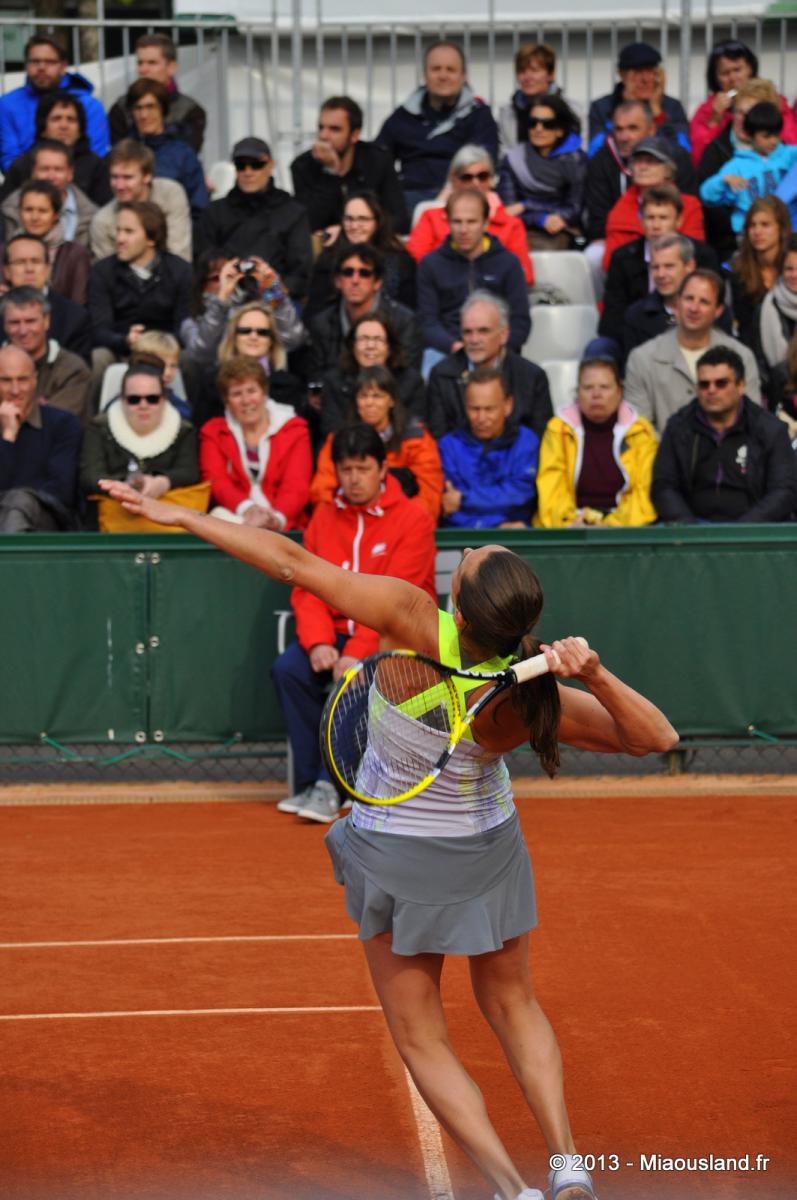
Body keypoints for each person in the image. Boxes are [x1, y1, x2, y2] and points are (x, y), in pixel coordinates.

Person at [99, 447, 678, 1200]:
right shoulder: (530, 697)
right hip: (488, 854)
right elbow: (655, 738)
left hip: (396, 859)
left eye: (470, 555)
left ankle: (511, 1188)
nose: (465, 546)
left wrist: (178, 513)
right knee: (512, 1003)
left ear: (460, 612)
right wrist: (592, 671)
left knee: (421, 1035)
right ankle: (567, 1164)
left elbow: (290, 562)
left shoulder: (411, 619)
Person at [272, 422, 438, 823]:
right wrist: (317, 642)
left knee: (355, 681)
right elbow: (307, 589)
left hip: (390, 642)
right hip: (334, 637)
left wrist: (357, 654)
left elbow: (396, 604)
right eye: (346, 469)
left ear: (383, 469)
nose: (354, 478)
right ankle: (314, 782)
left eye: (363, 468)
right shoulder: (323, 520)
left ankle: (341, 785)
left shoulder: (413, 520)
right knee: (289, 669)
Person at [651, 345, 797, 522]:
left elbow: (784, 491)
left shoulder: (769, 429)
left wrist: (740, 531)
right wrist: (689, 529)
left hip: (755, 531)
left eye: (721, 383)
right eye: (704, 384)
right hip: (692, 530)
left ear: (741, 385)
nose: (711, 390)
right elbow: (663, 485)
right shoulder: (679, 426)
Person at [624, 269, 761, 430]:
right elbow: (640, 432)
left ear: (718, 311)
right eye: (689, 299)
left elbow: (753, 423)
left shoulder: (742, 357)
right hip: (663, 453)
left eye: (704, 302)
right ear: (676, 305)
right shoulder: (642, 359)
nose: (694, 308)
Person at [376, 41, 499, 213]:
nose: (443, 76)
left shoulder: (479, 116)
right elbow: (378, 159)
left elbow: (484, 165)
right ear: (424, 75)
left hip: (462, 196)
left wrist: (448, 194)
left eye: (450, 69)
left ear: (463, 76)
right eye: (436, 69)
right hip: (409, 197)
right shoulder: (402, 116)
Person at [534, 356, 658, 527]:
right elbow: (551, 489)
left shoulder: (641, 432)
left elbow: (644, 494)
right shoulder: (558, 430)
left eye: (605, 387)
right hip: (570, 527)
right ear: (577, 392)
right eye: (588, 387)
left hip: (624, 529)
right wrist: (570, 524)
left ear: (619, 392)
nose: (596, 394)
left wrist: (611, 526)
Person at [311, 365, 442, 520]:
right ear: (355, 402)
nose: (369, 403)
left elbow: (429, 497)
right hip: (350, 524)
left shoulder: (416, 439)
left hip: (403, 526)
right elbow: (322, 492)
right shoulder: (338, 440)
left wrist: (395, 524)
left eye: (377, 396)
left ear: (391, 400)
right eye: (363, 396)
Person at [597, 192, 719, 355]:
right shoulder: (622, 257)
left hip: (692, 336)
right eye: (650, 217)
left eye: (663, 218)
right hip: (636, 335)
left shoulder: (702, 255)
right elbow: (612, 319)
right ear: (641, 220)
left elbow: (713, 307)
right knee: (600, 347)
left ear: (679, 220)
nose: (656, 225)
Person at [416, 189, 530, 361]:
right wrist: (455, 347)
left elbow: (520, 321)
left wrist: (495, 349)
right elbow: (428, 323)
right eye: (457, 222)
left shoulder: (508, 263)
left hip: (499, 351)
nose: (463, 229)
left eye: (471, 222)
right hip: (447, 351)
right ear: (448, 223)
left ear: (485, 223)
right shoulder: (430, 265)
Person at [199, 356, 311, 529]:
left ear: (264, 393)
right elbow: (217, 481)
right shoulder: (213, 432)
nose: (245, 401)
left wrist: (275, 519)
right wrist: (248, 510)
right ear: (227, 402)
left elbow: (296, 485)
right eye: (237, 394)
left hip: (283, 523)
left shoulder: (295, 430)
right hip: (236, 519)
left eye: (252, 391)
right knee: (217, 517)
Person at [195, 137, 313, 301]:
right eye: (241, 165)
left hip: (276, 300)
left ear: (270, 165)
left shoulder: (293, 212)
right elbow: (203, 262)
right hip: (225, 297)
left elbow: (300, 273)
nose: (248, 172)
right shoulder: (214, 212)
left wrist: (273, 291)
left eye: (256, 164)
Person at [425, 291, 552, 440]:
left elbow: (542, 440)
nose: (474, 339)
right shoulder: (441, 375)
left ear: (504, 334)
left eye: (483, 331)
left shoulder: (532, 377)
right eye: (467, 332)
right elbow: (438, 438)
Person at [406, 144, 533, 285]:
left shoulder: (511, 224)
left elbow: (524, 275)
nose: (475, 183)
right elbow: (415, 261)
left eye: (482, 176)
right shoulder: (431, 217)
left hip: (494, 297)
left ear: (491, 180)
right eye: (467, 177)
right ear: (453, 180)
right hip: (443, 294)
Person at [80, 361, 199, 505]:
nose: (143, 405)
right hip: (111, 517)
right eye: (134, 399)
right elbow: (90, 477)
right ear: (122, 400)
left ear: (164, 399)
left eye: (152, 399)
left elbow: (190, 472)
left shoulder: (184, 430)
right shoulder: (98, 428)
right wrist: (127, 484)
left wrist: (163, 482)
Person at [88, 200, 192, 364]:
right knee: (99, 357)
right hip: (121, 351)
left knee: (189, 360)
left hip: (168, 352)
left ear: (152, 238)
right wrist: (126, 340)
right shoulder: (102, 271)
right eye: (118, 230)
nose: (120, 238)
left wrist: (154, 345)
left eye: (129, 232)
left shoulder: (181, 271)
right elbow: (99, 330)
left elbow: (185, 327)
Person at [696, 78, 788, 265]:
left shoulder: (783, 154)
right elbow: (707, 202)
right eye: (739, 112)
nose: (743, 120)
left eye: (751, 113)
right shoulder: (716, 150)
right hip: (730, 244)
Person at [290, 97, 407, 237]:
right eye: (321, 127)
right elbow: (308, 224)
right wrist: (330, 173)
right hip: (326, 249)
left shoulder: (377, 160)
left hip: (371, 242)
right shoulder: (303, 166)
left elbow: (400, 220)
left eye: (335, 129)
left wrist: (349, 231)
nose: (323, 136)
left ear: (354, 135)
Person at [438, 366, 539, 528]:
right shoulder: (449, 446)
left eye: (489, 409)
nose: (481, 418)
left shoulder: (526, 441)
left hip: (515, 537)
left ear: (508, 405)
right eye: (474, 409)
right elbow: (449, 507)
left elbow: (520, 495)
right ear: (465, 406)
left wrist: (464, 499)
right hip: (465, 539)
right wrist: (496, 525)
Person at [306, 244, 422, 378]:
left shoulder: (404, 322)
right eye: (348, 272)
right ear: (338, 281)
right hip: (337, 396)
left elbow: (408, 379)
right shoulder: (321, 323)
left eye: (364, 273)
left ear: (377, 282)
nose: (355, 280)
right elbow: (317, 378)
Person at [180, 254, 305, 373]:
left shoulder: (257, 308)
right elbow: (202, 353)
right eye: (216, 278)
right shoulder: (191, 321)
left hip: (267, 379)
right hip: (217, 383)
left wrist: (273, 288)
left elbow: (292, 339)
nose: (224, 281)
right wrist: (221, 302)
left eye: (230, 275)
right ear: (202, 284)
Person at [0, 344, 80, 530]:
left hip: (45, 517)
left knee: (19, 501)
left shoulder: (63, 424)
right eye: (5, 380)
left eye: (22, 380)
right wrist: (8, 436)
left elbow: (61, 491)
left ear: (35, 380)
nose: (15, 390)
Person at [0, 35, 109, 172]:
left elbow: (95, 158)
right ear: (26, 65)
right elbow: (9, 160)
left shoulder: (90, 106)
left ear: (63, 66)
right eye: (35, 61)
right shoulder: (7, 105)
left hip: (81, 186)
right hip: (27, 187)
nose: (41, 67)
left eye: (49, 62)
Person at [305, 190, 416, 318]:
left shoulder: (401, 260)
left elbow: (410, 312)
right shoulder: (328, 260)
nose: (355, 226)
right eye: (349, 219)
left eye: (363, 219)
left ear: (378, 222)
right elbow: (315, 313)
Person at [689, 40, 797, 168]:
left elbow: (791, 142)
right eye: (725, 73)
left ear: (750, 69)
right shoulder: (708, 110)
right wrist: (714, 122)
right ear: (715, 78)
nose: (733, 78)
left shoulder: (773, 100)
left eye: (737, 70)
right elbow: (698, 160)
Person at [498, 94, 586, 250]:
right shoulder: (513, 160)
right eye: (533, 123)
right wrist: (539, 218)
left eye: (548, 124)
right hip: (520, 226)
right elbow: (509, 211)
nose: (538, 129)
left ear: (560, 130)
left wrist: (526, 204)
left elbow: (574, 209)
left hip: (560, 228)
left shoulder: (577, 161)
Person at [318, 311, 425, 437]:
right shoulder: (333, 381)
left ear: (389, 348)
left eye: (378, 339)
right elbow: (332, 431)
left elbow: (415, 431)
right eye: (364, 339)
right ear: (353, 346)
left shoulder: (411, 381)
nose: (370, 346)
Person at [602, 141, 704, 270]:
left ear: (668, 170)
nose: (642, 167)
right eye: (637, 162)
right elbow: (610, 262)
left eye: (650, 161)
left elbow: (695, 253)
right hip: (634, 278)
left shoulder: (689, 205)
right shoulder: (620, 210)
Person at [700, 102, 797, 236]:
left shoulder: (790, 155)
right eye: (766, 136)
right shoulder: (737, 165)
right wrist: (723, 181)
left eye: (776, 135)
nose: (773, 141)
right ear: (749, 135)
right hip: (750, 234)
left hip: (788, 231)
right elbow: (707, 196)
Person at [0, 93, 111, 207]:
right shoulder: (21, 166)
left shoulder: (96, 166)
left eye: (71, 119)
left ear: (80, 130)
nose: (64, 125)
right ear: (43, 128)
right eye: (56, 119)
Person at [90, 140, 192, 263]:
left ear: (147, 176)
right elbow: (108, 274)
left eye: (128, 177)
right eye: (115, 177)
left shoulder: (170, 194)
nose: (120, 186)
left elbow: (179, 256)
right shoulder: (102, 222)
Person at [1, 286, 92, 423]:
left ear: (46, 321)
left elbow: (54, 424)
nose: (23, 330)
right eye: (14, 323)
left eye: (30, 321)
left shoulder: (72, 369)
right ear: (4, 326)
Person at [124, 79, 208, 221]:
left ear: (163, 110)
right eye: (138, 108)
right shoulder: (122, 153)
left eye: (150, 107)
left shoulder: (184, 155)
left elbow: (199, 209)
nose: (144, 115)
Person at [107, 32, 207, 153]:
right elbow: (119, 156)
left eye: (152, 63)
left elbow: (186, 159)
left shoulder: (191, 112)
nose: (143, 70)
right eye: (140, 63)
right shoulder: (120, 109)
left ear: (171, 67)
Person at [1, 232, 91, 363]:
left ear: (48, 269)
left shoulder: (75, 316)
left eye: (36, 261)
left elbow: (79, 374)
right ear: (7, 272)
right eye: (20, 262)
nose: (29, 269)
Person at [588, 41, 689, 155]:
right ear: (622, 75)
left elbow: (683, 152)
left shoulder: (673, 107)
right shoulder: (602, 108)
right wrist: (630, 107)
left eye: (650, 71)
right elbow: (595, 152)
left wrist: (658, 115)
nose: (645, 80)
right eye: (638, 72)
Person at [2, 139, 97, 248]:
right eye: (44, 169)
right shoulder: (8, 210)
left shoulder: (90, 214)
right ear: (33, 172)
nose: (51, 177)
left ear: (70, 173)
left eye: (58, 170)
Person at [214, 301, 305, 414]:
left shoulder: (289, 385)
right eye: (245, 331)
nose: (253, 336)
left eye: (262, 332)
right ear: (234, 337)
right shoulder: (212, 382)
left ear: (271, 341)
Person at [728, 195, 792, 350]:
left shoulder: (793, 269)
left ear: (781, 228)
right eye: (752, 225)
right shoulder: (738, 275)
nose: (757, 232)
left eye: (765, 225)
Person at [498, 42, 569, 153]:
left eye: (535, 70)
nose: (528, 77)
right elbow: (504, 154)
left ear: (551, 74)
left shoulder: (573, 111)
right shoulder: (506, 114)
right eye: (522, 71)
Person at [756, 233, 797, 384]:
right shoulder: (765, 308)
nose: (794, 275)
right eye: (789, 269)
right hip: (779, 393)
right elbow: (759, 364)